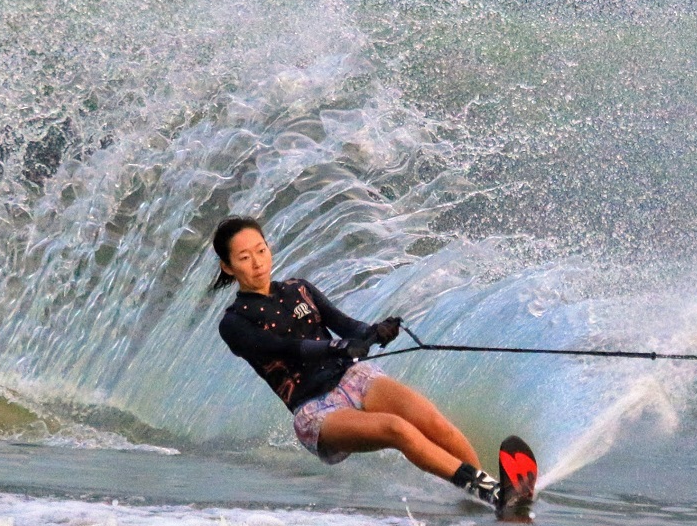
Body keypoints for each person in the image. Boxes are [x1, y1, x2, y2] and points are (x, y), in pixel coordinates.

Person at [210, 215, 504, 508]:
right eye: (245, 257)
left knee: (432, 421)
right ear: (228, 266)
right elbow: (283, 348)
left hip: (354, 378)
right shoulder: (235, 322)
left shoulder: (298, 289)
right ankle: (488, 491)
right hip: (315, 409)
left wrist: (375, 331)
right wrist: (336, 347)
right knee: (397, 429)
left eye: (261, 251)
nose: (258, 263)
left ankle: (489, 493)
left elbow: (348, 327)